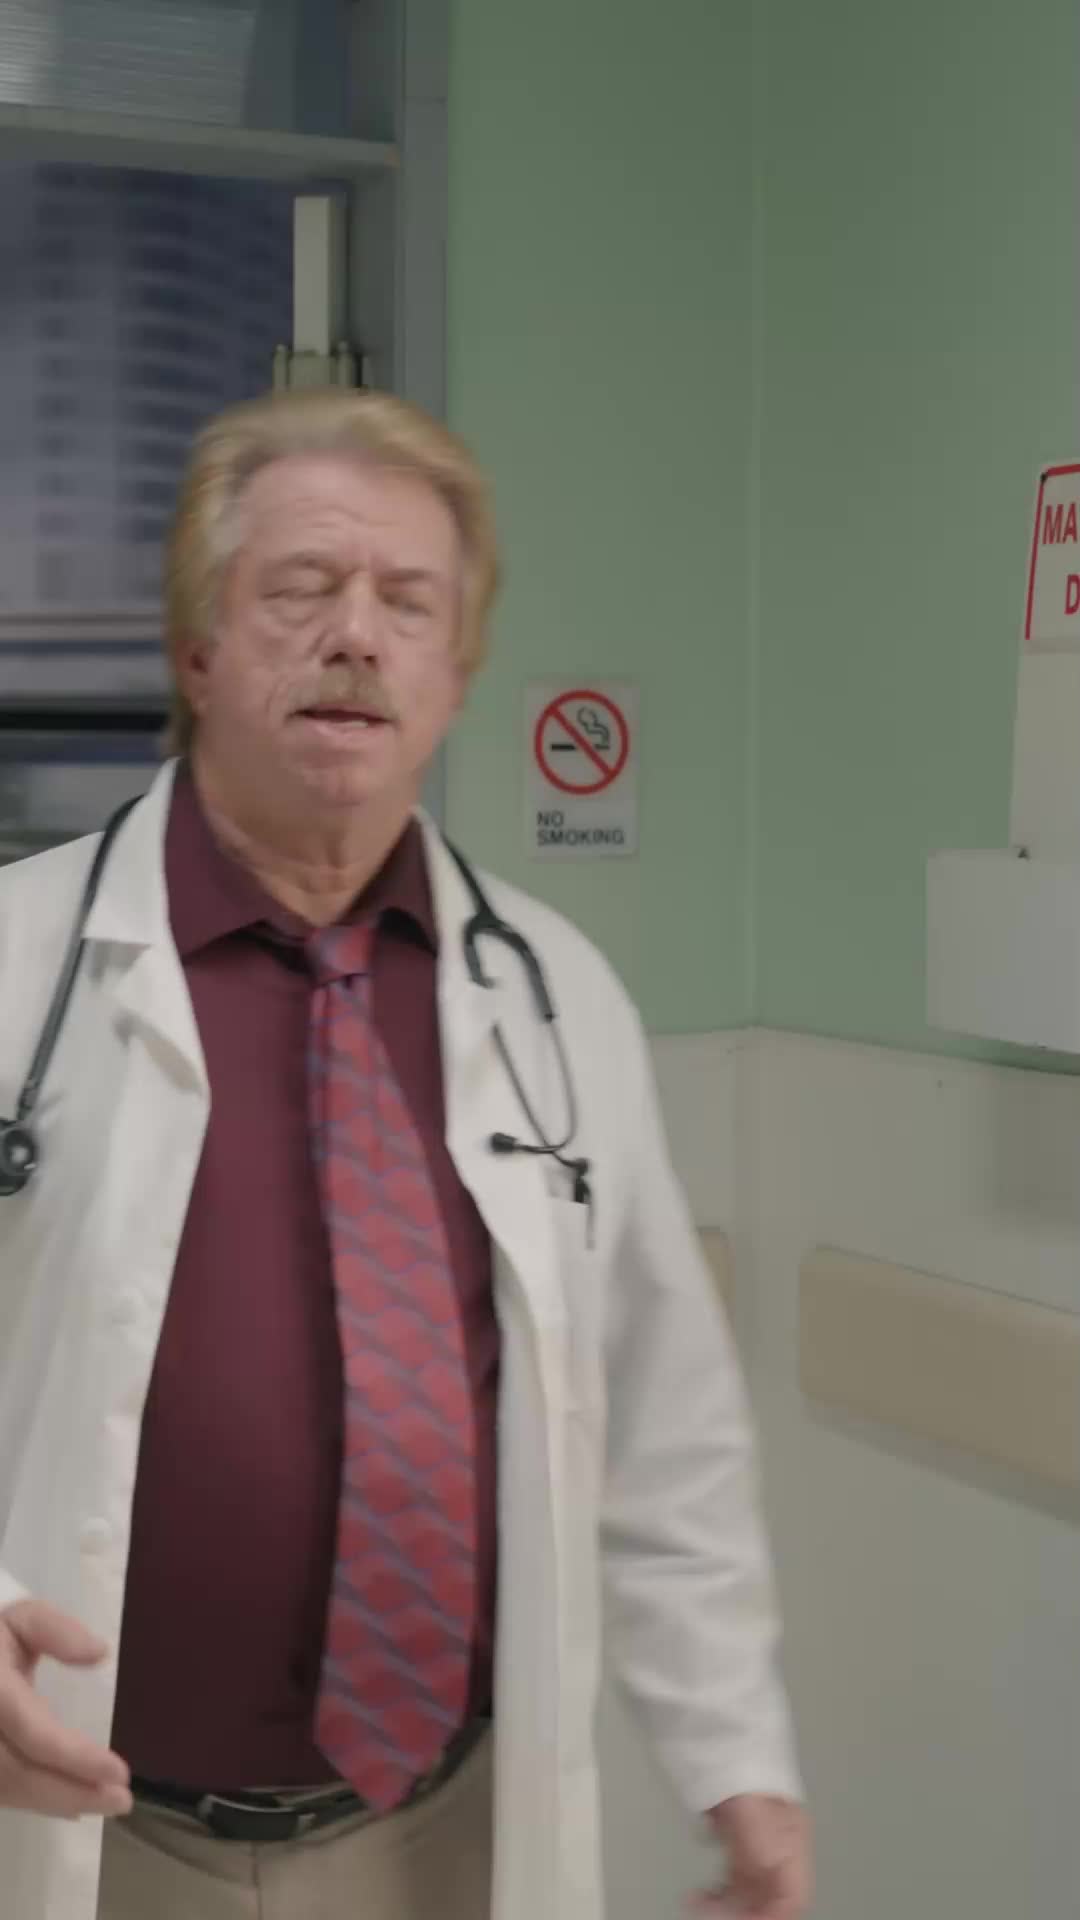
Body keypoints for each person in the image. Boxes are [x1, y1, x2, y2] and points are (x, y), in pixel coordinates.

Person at [0, 388, 811, 1920]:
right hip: (83, 1827)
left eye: (409, 602)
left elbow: (667, 1421)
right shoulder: (17, 965)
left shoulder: (554, 993)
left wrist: (735, 1755)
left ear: (455, 675)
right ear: (198, 650)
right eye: (302, 589)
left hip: (440, 1839)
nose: (358, 636)